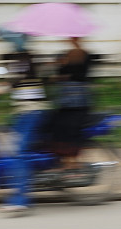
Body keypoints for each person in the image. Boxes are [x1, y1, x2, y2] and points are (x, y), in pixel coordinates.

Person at [0, 49, 49, 215]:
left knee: (19, 152)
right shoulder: (25, 69)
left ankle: (20, 200)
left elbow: (7, 85)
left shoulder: (23, 67)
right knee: (4, 141)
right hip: (24, 113)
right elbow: (9, 84)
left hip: (32, 114)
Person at [40, 37, 94, 170]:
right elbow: (58, 73)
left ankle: (73, 161)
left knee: (72, 129)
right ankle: (63, 160)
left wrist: (63, 71)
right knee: (55, 126)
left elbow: (81, 75)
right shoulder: (63, 54)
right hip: (64, 100)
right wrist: (57, 66)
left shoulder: (86, 55)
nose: (72, 39)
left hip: (79, 100)